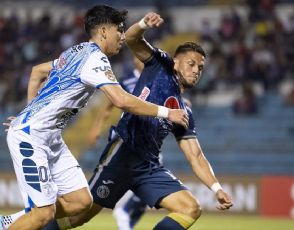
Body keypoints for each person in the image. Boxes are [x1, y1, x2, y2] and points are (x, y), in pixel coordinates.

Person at [0, 6, 188, 230]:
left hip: (49, 138)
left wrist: (30, 112)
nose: (122, 36)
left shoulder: (76, 51)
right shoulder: (95, 59)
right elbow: (121, 100)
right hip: (31, 138)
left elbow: (37, 72)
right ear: (103, 31)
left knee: (81, 202)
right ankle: (23, 220)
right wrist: (166, 112)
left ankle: (15, 220)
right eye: (119, 30)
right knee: (43, 215)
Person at [45, 12, 233, 230]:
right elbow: (133, 39)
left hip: (148, 166)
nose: (195, 71)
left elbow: (196, 156)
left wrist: (216, 188)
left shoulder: (184, 112)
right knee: (79, 216)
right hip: (123, 153)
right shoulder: (161, 66)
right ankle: (31, 224)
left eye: (200, 68)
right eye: (191, 64)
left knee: (190, 208)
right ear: (176, 62)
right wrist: (144, 24)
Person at [87, 55, 149, 230]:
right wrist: (96, 128)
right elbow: (107, 107)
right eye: (139, 56)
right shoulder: (126, 81)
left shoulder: (156, 79)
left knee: (148, 187)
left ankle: (125, 218)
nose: (143, 59)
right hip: (127, 138)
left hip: (149, 139)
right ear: (134, 60)